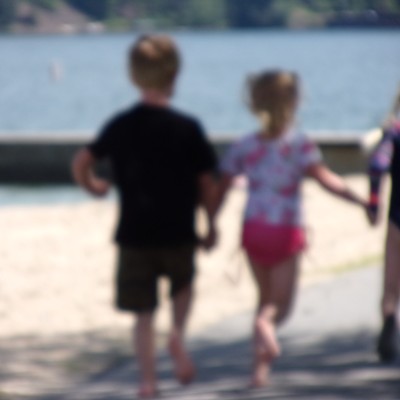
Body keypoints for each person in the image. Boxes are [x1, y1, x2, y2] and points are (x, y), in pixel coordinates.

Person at [71, 35, 217, 398]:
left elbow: (81, 161)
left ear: (134, 77)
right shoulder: (188, 128)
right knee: (182, 287)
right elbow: (207, 185)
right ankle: (178, 336)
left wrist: (94, 187)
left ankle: (147, 382)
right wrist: (211, 224)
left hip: (133, 234)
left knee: (142, 313)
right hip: (179, 231)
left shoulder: (121, 125)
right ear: (175, 75)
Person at [218, 70, 368, 387]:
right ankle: (265, 329)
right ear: (295, 102)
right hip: (285, 232)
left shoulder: (246, 145)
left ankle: (259, 369)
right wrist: (359, 200)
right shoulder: (299, 145)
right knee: (279, 307)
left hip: (253, 230)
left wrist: (209, 220)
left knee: (264, 298)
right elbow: (328, 180)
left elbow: (222, 184)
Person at [367, 88, 400, 363]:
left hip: (397, 219)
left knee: (391, 284)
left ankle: (389, 324)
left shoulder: (395, 131)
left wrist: (374, 203)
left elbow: (378, 164)